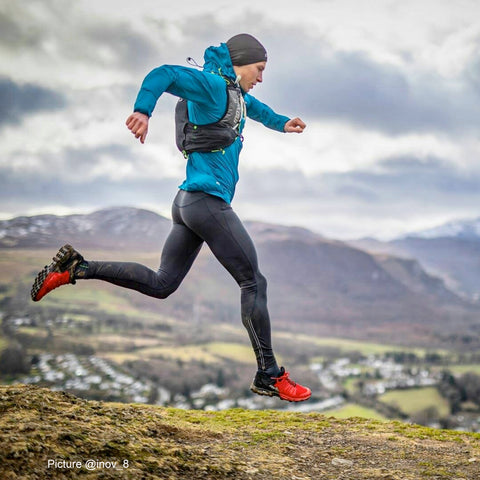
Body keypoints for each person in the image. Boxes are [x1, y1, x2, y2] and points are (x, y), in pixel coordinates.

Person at [31, 33, 311, 402]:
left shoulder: (233, 95)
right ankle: (269, 375)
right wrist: (142, 111)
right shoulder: (212, 85)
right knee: (253, 282)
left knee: (162, 284)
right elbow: (163, 73)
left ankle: (75, 268)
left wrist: (283, 122)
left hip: (187, 203)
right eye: (259, 69)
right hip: (206, 201)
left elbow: (255, 109)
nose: (261, 77)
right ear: (241, 63)